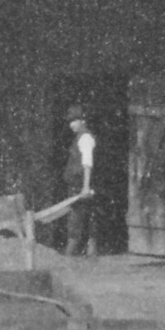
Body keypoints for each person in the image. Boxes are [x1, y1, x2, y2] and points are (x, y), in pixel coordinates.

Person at [66, 108, 99, 255]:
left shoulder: (85, 139)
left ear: (83, 121)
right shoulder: (79, 138)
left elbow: (87, 163)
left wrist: (85, 187)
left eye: (74, 121)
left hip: (81, 186)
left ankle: (68, 256)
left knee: (76, 222)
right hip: (78, 185)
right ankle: (90, 253)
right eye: (70, 121)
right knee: (87, 220)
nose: (71, 124)